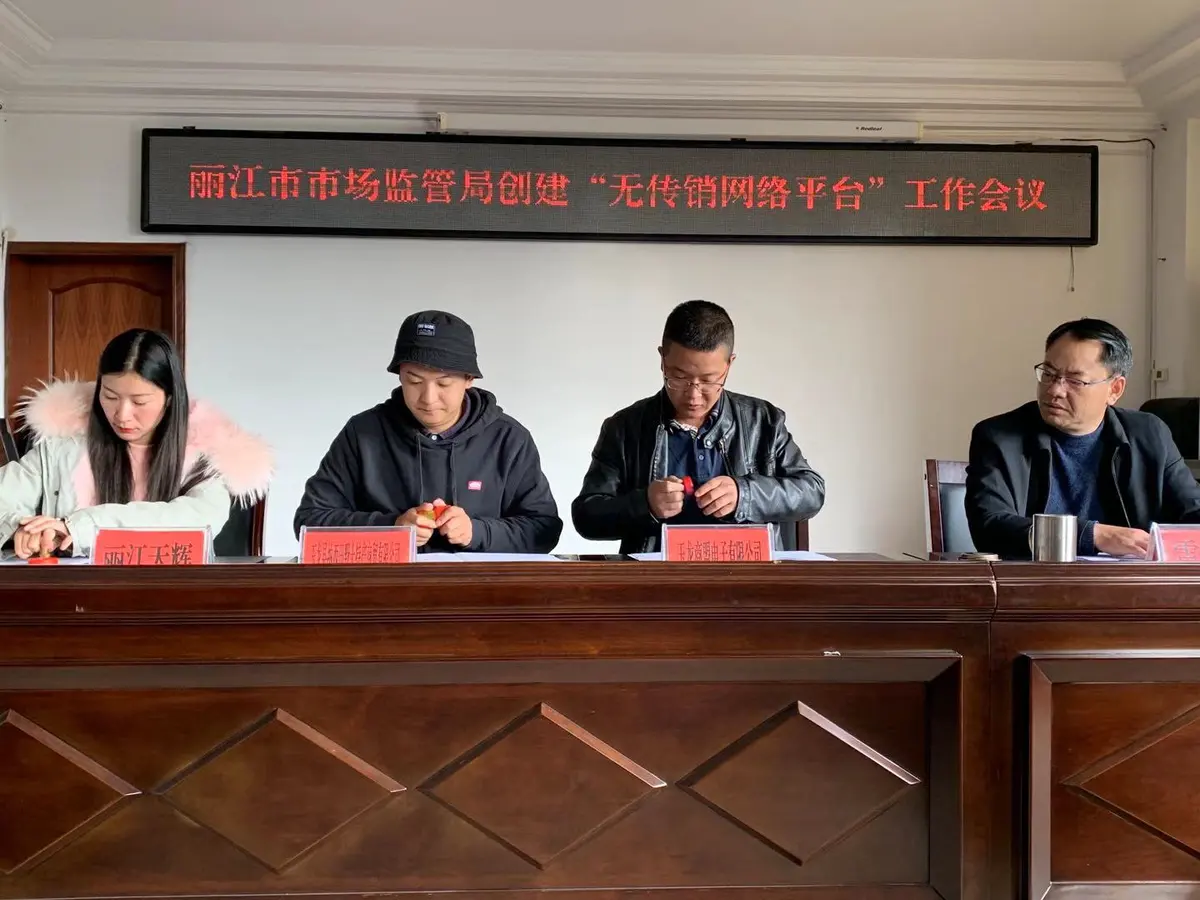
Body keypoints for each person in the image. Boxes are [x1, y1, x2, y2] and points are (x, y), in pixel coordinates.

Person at [294, 310, 562, 553]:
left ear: (469, 379)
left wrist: (477, 532)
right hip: (386, 587)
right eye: (414, 381)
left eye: (443, 384)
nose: (428, 398)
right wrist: (392, 527)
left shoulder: (508, 439)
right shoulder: (363, 434)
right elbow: (309, 522)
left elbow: (544, 530)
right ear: (400, 375)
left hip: (480, 587)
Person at [571, 300, 825, 553]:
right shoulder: (625, 428)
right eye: (679, 377)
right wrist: (645, 504)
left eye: (709, 381)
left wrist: (744, 494)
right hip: (657, 576)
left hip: (746, 573)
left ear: (729, 365)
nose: (693, 395)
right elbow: (586, 516)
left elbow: (811, 491)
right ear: (662, 360)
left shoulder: (763, 421)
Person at [0, 329, 274, 559]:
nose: (122, 415)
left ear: (170, 399)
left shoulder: (204, 459)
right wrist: (21, 529)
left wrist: (77, 528)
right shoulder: (60, 449)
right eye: (110, 397)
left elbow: (197, 520)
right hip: (72, 598)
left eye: (139, 401)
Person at [966, 318, 1200, 559]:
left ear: (1115, 389)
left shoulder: (1150, 434)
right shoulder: (1000, 437)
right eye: (1049, 373)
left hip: (1133, 580)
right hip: (1035, 579)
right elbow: (990, 526)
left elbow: (1192, 512)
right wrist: (1093, 535)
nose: (1055, 390)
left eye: (1075, 380)